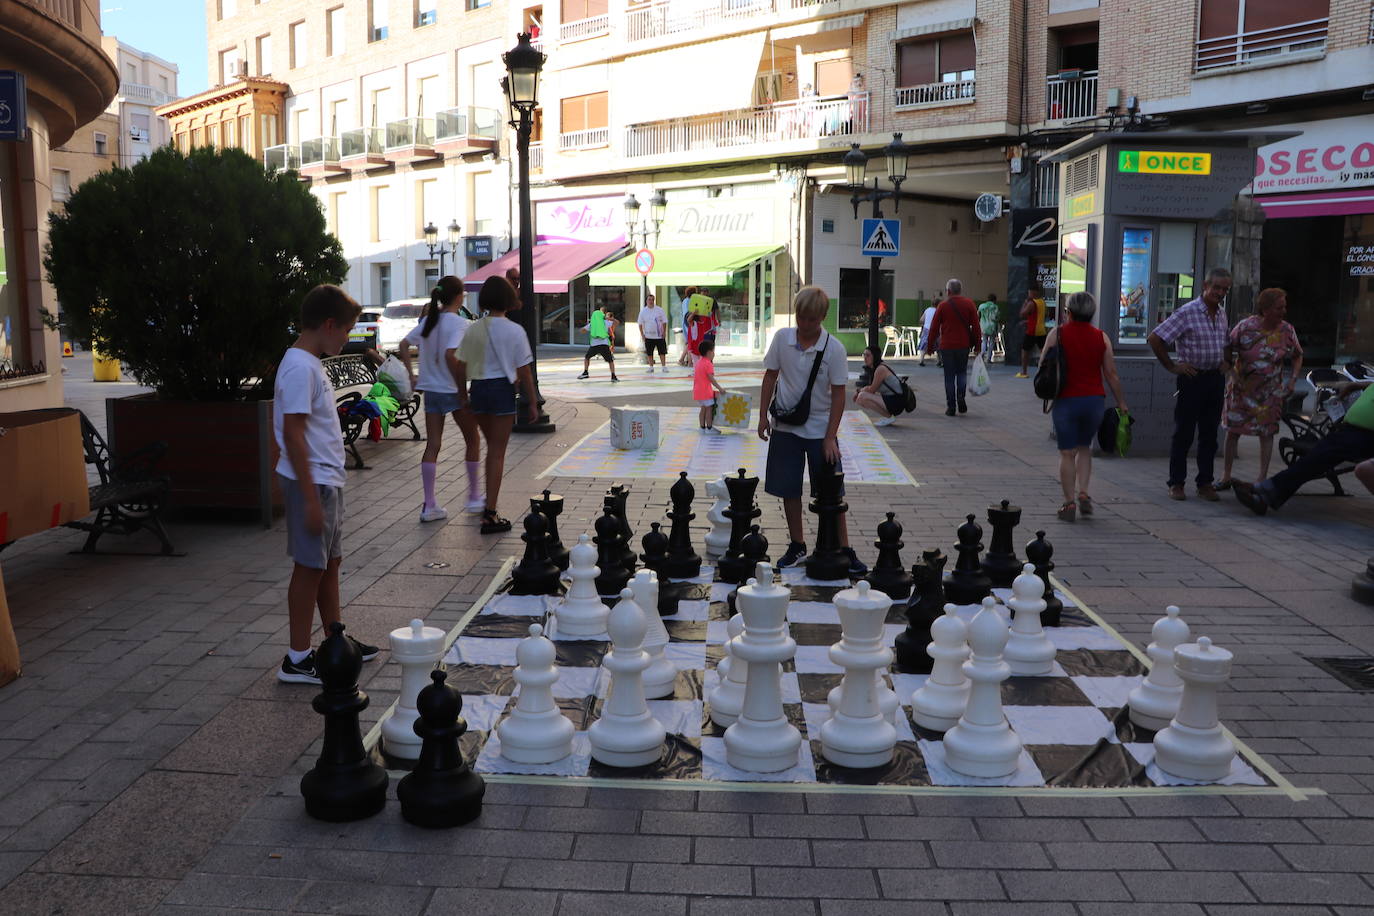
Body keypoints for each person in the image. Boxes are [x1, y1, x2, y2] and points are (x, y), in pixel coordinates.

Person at [273, 284, 378, 684]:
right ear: (330, 324)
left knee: (329, 563)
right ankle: (297, 657)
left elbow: (284, 427)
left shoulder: (309, 362)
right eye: (348, 330)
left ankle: (336, 640)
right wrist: (307, 498)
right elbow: (294, 433)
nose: (348, 338)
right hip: (311, 482)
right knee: (309, 567)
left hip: (323, 479)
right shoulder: (300, 367)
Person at [758, 285, 868, 577]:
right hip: (786, 426)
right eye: (800, 318)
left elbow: (839, 395)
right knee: (788, 489)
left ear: (822, 317)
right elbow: (770, 376)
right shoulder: (782, 339)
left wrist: (831, 436)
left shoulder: (834, 349)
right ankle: (797, 544)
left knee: (832, 491)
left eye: (811, 320)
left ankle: (844, 549)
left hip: (820, 429)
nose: (805, 325)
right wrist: (761, 417)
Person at [455, 276, 539, 534]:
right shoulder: (515, 331)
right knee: (497, 453)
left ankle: (488, 509)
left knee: (491, 449)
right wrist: (533, 402)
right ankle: (490, 513)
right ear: (507, 299)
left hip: (478, 390)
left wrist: (463, 395)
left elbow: (460, 364)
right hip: (502, 390)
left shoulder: (473, 328)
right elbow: (524, 371)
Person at [398, 276, 481, 523]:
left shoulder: (428, 321)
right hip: (452, 390)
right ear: (459, 296)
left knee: (433, 444)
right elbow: (450, 355)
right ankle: (474, 496)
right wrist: (461, 388)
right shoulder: (459, 324)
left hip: (431, 390)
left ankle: (430, 504)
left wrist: (412, 375)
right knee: (473, 439)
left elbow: (403, 345)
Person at [1148, 267, 1234, 502]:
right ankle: (1176, 482)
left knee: (1209, 434)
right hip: (1192, 378)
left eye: (1225, 289)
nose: (1220, 293)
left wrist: (1227, 361)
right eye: (1216, 287)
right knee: (1184, 432)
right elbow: (1155, 338)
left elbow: (1226, 340)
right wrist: (1173, 366)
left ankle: (1205, 482)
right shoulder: (1188, 312)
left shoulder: (1222, 313)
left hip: (1214, 378)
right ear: (1205, 286)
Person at [1041, 292, 1128, 522]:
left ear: (1068, 312)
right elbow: (1111, 374)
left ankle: (1069, 504)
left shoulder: (1057, 334)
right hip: (1093, 402)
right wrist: (1121, 403)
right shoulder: (1102, 337)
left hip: (1066, 401)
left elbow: (1042, 365)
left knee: (1066, 453)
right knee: (1084, 448)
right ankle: (1084, 493)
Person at [1235, 380, 1374, 515]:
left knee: (1319, 457)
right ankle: (1265, 493)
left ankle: (1265, 491)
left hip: (1365, 435)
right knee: (1316, 457)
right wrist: (1357, 385)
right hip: (1352, 431)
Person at [1218, 287, 1303, 489]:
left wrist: (1292, 380)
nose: (1283, 311)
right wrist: (1231, 372)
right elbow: (1227, 346)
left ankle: (1262, 477)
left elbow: (1297, 354)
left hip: (1270, 392)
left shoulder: (1287, 330)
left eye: (1284, 307)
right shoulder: (1246, 327)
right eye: (1279, 307)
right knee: (1233, 431)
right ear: (1265, 309)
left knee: (1267, 433)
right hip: (1242, 388)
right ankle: (1226, 475)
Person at [925, 278, 981, 417]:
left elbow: (934, 328)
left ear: (948, 291)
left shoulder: (943, 306)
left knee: (949, 376)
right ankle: (961, 397)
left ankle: (951, 406)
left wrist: (930, 346)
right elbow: (976, 327)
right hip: (963, 345)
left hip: (947, 346)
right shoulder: (969, 304)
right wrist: (978, 346)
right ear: (960, 290)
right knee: (961, 373)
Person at [854, 346, 904, 427]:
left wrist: (861, 391)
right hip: (892, 399)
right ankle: (887, 416)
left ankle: (889, 417)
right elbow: (872, 389)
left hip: (896, 402)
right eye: (864, 355)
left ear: (875, 356)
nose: (865, 358)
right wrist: (861, 391)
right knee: (861, 397)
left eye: (868, 355)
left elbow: (871, 390)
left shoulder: (880, 369)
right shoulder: (876, 368)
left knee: (862, 396)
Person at [578, 301, 619, 382]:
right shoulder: (606, 322)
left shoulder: (593, 323)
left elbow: (582, 330)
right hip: (604, 345)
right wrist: (610, 318)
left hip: (594, 345)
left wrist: (589, 328)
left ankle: (585, 372)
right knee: (610, 361)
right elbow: (617, 323)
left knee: (587, 357)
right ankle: (613, 376)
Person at [694, 339, 727, 434]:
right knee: (709, 409)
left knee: (703, 408)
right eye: (713, 351)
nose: (714, 353)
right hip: (705, 391)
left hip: (698, 391)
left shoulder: (699, 362)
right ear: (709, 352)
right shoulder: (708, 364)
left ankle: (701, 427)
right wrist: (720, 388)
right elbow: (711, 379)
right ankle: (709, 428)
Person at [1017, 283, 1048, 378]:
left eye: (1029, 292)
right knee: (1044, 352)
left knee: (1025, 351)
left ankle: (1024, 372)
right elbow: (1041, 316)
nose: (1029, 294)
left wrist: (1025, 303)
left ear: (1034, 292)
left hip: (1032, 331)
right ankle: (1046, 371)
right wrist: (1028, 321)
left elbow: (1022, 314)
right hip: (1041, 331)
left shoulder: (1031, 303)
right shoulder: (1042, 302)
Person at [638, 292, 669, 374]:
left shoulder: (659, 310)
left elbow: (664, 321)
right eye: (649, 300)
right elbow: (640, 324)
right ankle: (651, 367)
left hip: (659, 335)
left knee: (662, 352)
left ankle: (664, 367)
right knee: (649, 352)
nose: (651, 301)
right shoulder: (643, 311)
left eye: (652, 300)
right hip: (648, 335)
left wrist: (664, 332)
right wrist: (642, 335)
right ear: (646, 301)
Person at [677, 286, 698, 367]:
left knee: (689, 343)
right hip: (689, 322)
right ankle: (688, 361)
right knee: (690, 342)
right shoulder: (688, 301)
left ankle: (684, 360)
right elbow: (687, 313)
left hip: (688, 322)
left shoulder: (687, 300)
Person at [978, 293, 1001, 362]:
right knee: (991, 342)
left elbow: (978, 314)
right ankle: (989, 358)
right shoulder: (995, 307)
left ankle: (982, 354)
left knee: (984, 341)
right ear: (994, 300)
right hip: (992, 327)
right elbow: (996, 317)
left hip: (983, 326)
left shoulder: (982, 306)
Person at [917, 302, 937, 367]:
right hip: (935, 329)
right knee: (938, 345)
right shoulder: (938, 310)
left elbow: (921, 320)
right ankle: (940, 361)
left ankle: (921, 360)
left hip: (926, 329)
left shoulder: (927, 310)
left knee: (923, 344)